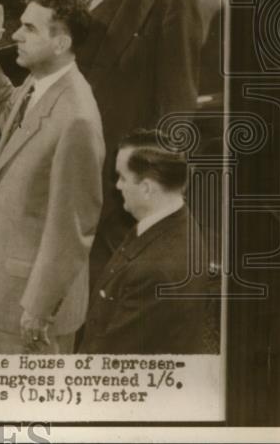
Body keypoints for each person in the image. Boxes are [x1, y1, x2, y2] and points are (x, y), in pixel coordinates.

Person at [0, 0, 104, 354]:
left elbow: (73, 227)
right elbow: (5, 114)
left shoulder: (77, 119)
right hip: (7, 288)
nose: (15, 35)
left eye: (29, 28)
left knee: (31, 404)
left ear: (61, 43)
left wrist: (40, 308)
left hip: (32, 305)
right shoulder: (42, 83)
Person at [75, 0, 202, 280]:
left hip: (117, 158)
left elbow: (177, 103)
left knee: (99, 265)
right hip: (75, 131)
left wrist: (150, 181)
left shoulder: (174, 1)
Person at [79, 131, 217, 354]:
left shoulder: (156, 270)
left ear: (146, 188)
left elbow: (112, 361)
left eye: (122, 178)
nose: (117, 186)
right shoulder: (172, 222)